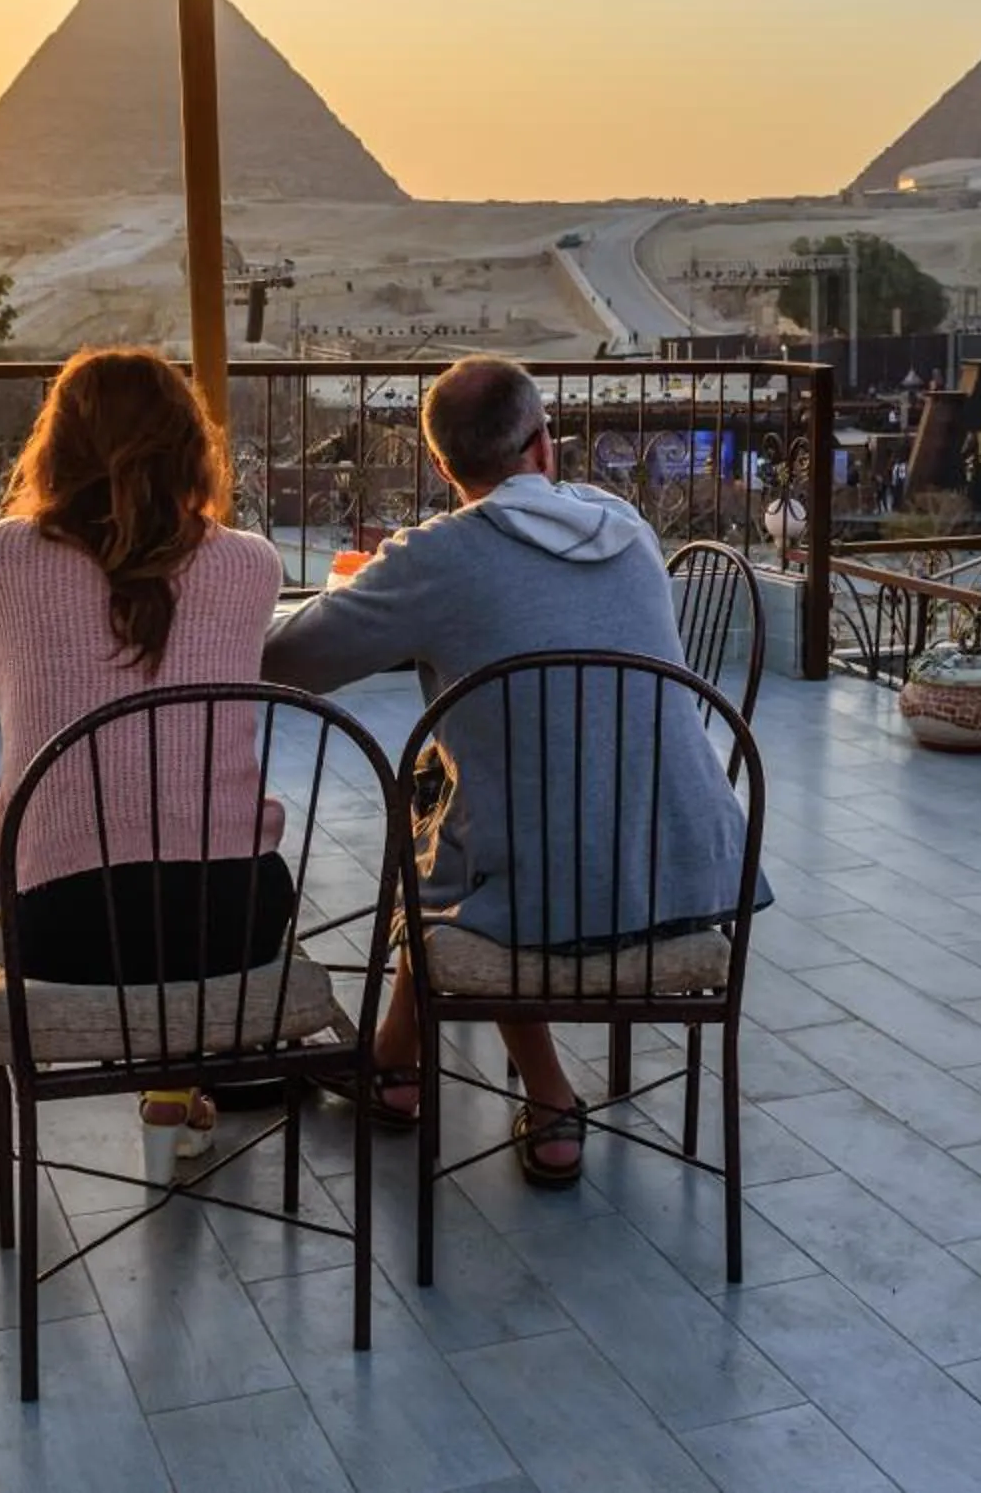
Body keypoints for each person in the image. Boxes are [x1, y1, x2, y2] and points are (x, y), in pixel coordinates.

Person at [263, 355, 754, 1188]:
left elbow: (289, 662)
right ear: (544, 446)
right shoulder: (626, 527)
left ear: (443, 466)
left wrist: (376, 596)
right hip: (687, 869)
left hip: (547, 896)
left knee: (457, 834)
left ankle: (548, 1098)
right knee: (489, 809)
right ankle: (393, 1063)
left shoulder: (437, 559)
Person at [0, 349, 285, 1169]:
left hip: (67, 931)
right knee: (177, 883)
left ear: (56, 446)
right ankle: (176, 1085)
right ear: (192, 445)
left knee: (130, 888)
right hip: (234, 924)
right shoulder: (252, 564)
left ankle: (172, 1090)